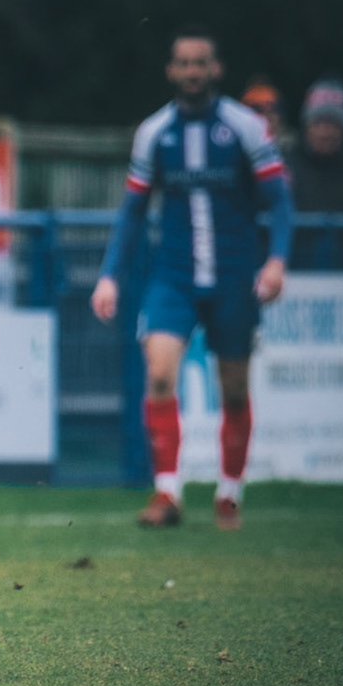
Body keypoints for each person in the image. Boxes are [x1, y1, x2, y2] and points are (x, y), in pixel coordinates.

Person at [91, 27, 293, 531]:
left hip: (232, 278)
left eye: (200, 63)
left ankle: (228, 493)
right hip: (173, 275)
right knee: (159, 373)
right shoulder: (154, 132)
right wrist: (110, 276)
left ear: (215, 69)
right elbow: (133, 213)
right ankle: (167, 493)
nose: (192, 72)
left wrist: (277, 261)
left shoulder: (245, 128)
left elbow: (280, 200)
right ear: (171, 71)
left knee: (234, 391)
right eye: (183, 63)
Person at [287, 77, 343, 270]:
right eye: (318, 123)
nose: (325, 132)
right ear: (306, 126)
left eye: (333, 124)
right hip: (294, 274)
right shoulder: (285, 166)